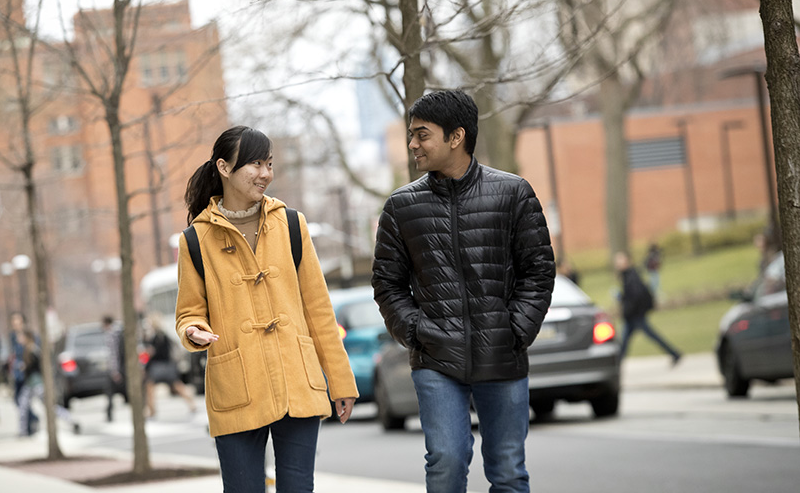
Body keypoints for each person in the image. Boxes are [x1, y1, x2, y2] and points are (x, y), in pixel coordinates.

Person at [372, 90, 555, 493]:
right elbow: (387, 282)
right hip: (436, 358)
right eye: (410, 134)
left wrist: (515, 331)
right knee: (447, 462)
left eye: (422, 134)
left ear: (456, 137)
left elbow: (538, 271)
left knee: (508, 471)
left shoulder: (513, 193)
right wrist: (417, 331)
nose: (412, 144)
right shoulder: (401, 206)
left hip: (502, 356)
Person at [176, 125, 358, 492]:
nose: (265, 173)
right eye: (255, 164)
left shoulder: (291, 223)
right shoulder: (195, 239)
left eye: (269, 163)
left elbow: (318, 309)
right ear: (224, 168)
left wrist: (340, 381)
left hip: (296, 380)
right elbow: (188, 312)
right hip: (236, 386)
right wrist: (192, 331)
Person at [614, 252, 681, 365]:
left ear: (627, 261)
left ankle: (675, 353)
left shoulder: (631, 276)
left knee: (650, 336)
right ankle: (617, 363)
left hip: (635, 316)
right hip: (632, 316)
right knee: (624, 342)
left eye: (620, 261)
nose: (618, 264)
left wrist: (628, 308)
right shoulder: (626, 275)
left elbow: (636, 296)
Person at [15, 330, 79, 436]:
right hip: (33, 384)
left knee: (47, 406)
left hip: (35, 384)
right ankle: (70, 420)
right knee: (27, 405)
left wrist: (25, 367)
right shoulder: (29, 349)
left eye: (20, 336)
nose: (19, 339)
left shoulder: (32, 350)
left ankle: (71, 420)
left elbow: (39, 368)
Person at [143, 313, 197, 419]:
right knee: (177, 386)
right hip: (168, 366)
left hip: (158, 367)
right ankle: (192, 404)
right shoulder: (164, 335)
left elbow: (152, 353)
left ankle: (152, 410)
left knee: (149, 388)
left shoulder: (155, 337)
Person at [7, 312, 38, 432]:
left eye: (18, 321)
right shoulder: (12, 336)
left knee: (23, 401)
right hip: (17, 373)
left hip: (28, 373)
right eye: (13, 322)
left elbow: (33, 352)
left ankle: (29, 425)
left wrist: (26, 365)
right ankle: (31, 421)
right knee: (18, 400)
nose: (15, 324)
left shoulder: (28, 335)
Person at [101, 315, 125, 422]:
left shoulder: (111, 334)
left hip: (118, 369)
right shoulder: (120, 331)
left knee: (110, 392)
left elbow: (113, 354)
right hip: (125, 367)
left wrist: (115, 371)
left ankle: (109, 414)